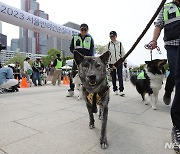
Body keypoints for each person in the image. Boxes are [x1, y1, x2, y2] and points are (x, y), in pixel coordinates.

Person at [149, 0, 180, 152]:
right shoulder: (166, 6)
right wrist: (154, 40)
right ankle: (178, 127)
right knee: (177, 75)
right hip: (173, 45)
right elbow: (159, 24)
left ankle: (169, 91)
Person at [67, 23, 94, 97]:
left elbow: (91, 50)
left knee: (85, 76)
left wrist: (89, 59)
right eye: (82, 29)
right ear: (80, 30)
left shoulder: (90, 38)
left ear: (87, 30)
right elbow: (71, 48)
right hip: (76, 60)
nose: (83, 31)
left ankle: (85, 91)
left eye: (85, 30)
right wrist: (75, 53)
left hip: (85, 60)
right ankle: (71, 90)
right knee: (73, 74)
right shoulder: (75, 37)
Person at [106, 31, 126, 96]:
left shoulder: (119, 44)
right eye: (111, 36)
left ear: (116, 36)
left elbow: (123, 53)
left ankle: (121, 90)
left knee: (120, 76)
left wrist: (125, 61)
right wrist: (107, 63)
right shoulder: (108, 45)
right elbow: (106, 54)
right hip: (111, 63)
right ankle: (115, 89)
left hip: (119, 62)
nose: (112, 37)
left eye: (113, 36)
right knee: (113, 77)